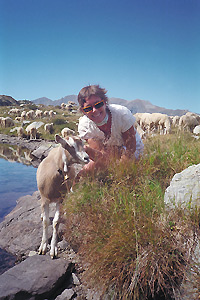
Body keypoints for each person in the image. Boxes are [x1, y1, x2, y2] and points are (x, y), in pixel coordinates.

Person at [77, 84, 144, 175]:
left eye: (98, 104)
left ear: (105, 103)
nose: (94, 110)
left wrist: (119, 171)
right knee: (86, 170)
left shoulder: (121, 114)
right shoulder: (85, 126)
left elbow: (130, 148)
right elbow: (100, 154)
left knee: (126, 171)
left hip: (131, 148)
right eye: (88, 108)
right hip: (108, 151)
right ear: (83, 110)